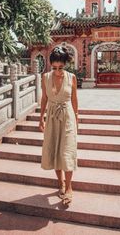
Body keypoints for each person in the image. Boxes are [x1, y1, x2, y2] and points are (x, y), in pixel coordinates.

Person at [39, 46, 78, 206]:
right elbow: (44, 99)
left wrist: (77, 118)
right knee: (54, 149)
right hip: (52, 117)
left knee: (67, 151)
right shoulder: (45, 77)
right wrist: (41, 117)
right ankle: (60, 182)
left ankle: (69, 187)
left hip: (67, 116)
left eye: (60, 67)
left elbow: (75, 100)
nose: (57, 71)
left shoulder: (72, 77)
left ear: (65, 64)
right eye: (54, 67)